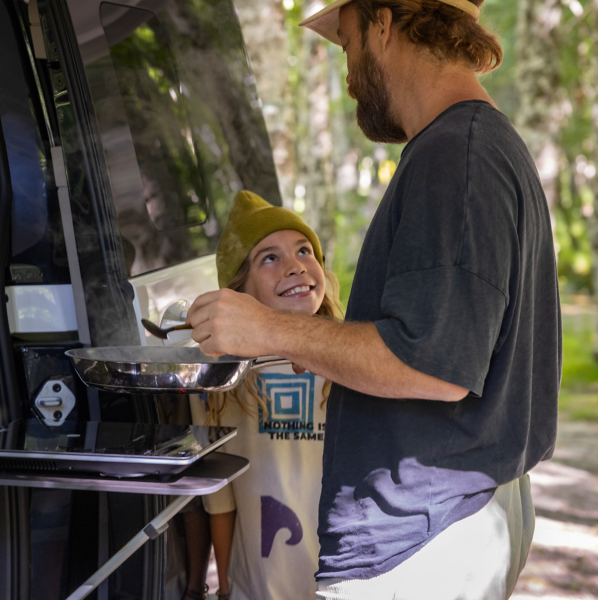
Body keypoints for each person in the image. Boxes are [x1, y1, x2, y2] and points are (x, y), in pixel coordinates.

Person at [186, 0, 562, 598]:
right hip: (452, 515)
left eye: (348, 43)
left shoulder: (455, 157)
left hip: (422, 540)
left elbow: (430, 364)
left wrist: (270, 330)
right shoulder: (476, 146)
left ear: (383, 23)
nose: (348, 70)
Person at [183, 190, 344, 600]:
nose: (295, 267)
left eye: (305, 250)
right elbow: (218, 501)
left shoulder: (350, 362)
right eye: (269, 258)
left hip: (346, 582)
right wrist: (224, 589)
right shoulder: (217, 381)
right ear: (238, 293)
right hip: (258, 586)